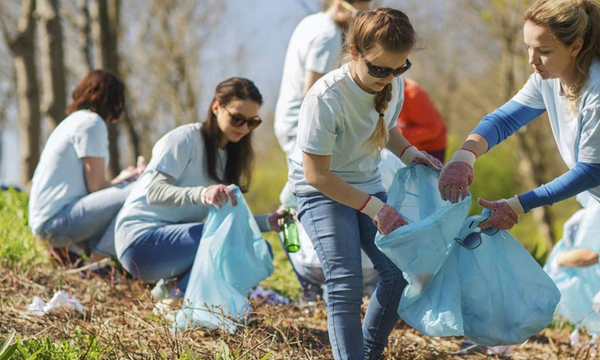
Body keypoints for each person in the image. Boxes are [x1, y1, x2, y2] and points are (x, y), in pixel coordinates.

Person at [288, 8, 443, 360]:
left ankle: (368, 352)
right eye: (379, 69)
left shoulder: (392, 85)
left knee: (397, 272)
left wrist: (411, 155)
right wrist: (375, 207)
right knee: (345, 282)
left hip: (367, 184)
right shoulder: (325, 97)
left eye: (399, 68)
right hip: (320, 191)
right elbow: (316, 174)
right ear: (354, 51)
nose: (388, 78)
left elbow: (386, 130)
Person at [114, 77, 286, 307]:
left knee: (258, 248)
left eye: (251, 122)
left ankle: (169, 292)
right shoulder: (184, 139)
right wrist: (201, 193)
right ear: (216, 107)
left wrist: (268, 222)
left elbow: (229, 223)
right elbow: (153, 191)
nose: (244, 128)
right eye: (237, 118)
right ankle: (176, 297)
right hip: (139, 242)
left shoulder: (228, 157)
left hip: (174, 244)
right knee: (232, 245)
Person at [438, 0, 600, 230]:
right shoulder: (548, 79)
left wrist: (519, 204)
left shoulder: (596, 90)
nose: (531, 60)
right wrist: (465, 156)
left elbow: (592, 171)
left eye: (544, 51)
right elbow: (503, 121)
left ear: (575, 46)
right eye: (528, 47)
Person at [274, 0, 374, 304]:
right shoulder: (328, 35)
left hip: (287, 122)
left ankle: (320, 276)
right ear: (343, 5)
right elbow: (313, 95)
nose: (363, 14)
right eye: (362, 7)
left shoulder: (312, 22)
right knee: (312, 189)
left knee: (309, 189)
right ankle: (316, 278)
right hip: (302, 126)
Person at [28, 69, 145, 263]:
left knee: (131, 188)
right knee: (139, 190)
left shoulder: (72, 122)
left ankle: (73, 252)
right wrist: (133, 181)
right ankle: (99, 261)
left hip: (47, 221)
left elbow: (89, 188)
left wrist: (122, 180)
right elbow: (96, 187)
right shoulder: (92, 123)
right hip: (55, 223)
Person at [398, 78, 447, 163]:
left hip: (430, 151)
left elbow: (433, 128)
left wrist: (399, 136)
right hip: (406, 148)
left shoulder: (412, 93)